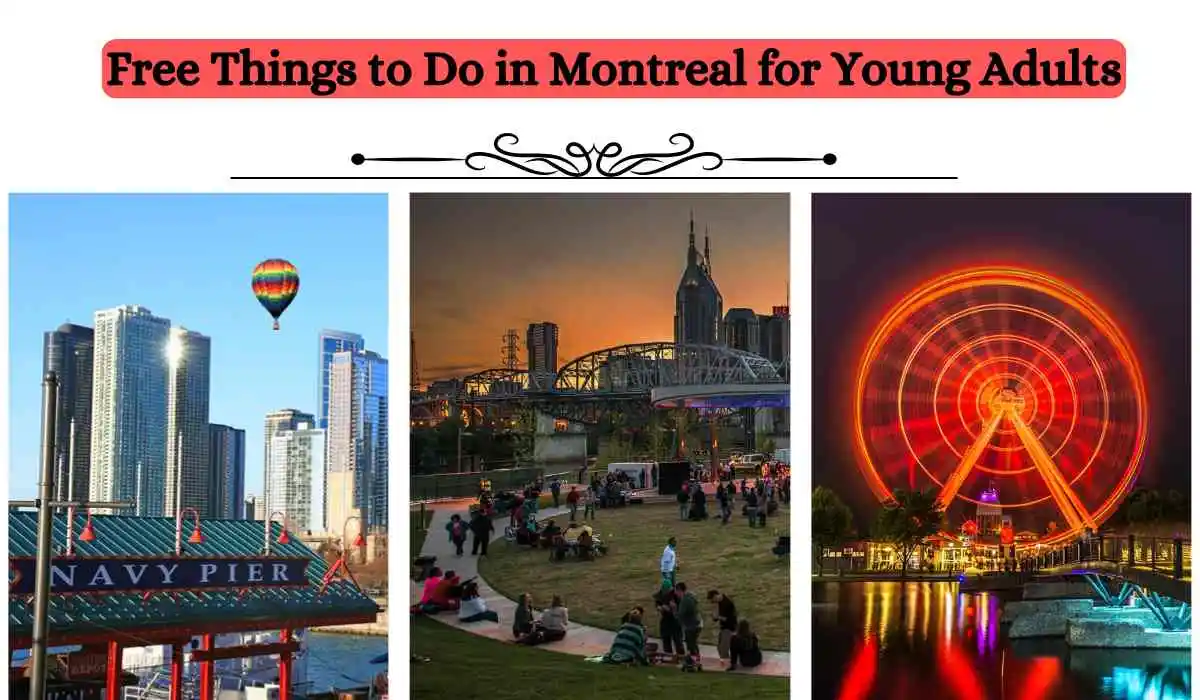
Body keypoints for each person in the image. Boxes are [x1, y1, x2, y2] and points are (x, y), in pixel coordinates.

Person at [707, 589, 738, 666]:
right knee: (720, 646)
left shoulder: (727, 603)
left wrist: (717, 616)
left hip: (729, 627)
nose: (713, 602)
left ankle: (727, 663)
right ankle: (727, 661)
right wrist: (715, 617)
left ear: (715, 596)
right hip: (723, 627)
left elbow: (727, 618)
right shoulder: (720, 602)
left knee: (724, 647)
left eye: (712, 600)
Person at [654, 579, 683, 660]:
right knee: (666, 638)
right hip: (665, 619)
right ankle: (668, 656)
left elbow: (680, 609)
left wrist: (671, 609)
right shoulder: (661, 594)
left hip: (675, 620)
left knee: (678, 640)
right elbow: (657, 602)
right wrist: (659, 607)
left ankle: (681, 657)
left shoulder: (675, 595)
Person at [676, 582, 703, 660]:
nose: (676, 593)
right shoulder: (691, 597)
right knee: (693, 643)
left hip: (691, 625)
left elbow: (680, 614)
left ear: (680, 590)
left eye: (676, 591)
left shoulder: (685, 600)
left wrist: (674, 609)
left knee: (691, 643)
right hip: (698, 623)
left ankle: (693, 660)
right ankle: (697, 659)